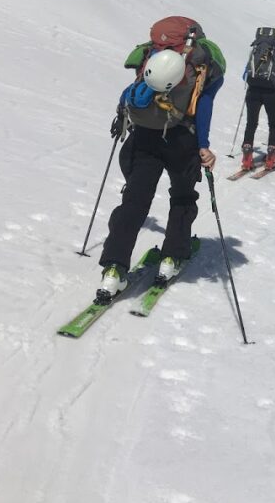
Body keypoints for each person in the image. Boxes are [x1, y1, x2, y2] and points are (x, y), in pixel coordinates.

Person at [96, 16, 225, 302]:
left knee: (134, 200)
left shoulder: (150, 53)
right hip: (182, 138)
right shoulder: (203, 63)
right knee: (181, 197)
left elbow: (135, 90)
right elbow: (204, 105)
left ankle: (114, 269)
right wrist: (203, 145)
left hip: (145, 134)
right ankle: (171, 259)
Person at [240, 27, 275, 171]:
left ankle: (247, 158)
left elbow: (245, 75)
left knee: (251, 123)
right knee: (273, 124)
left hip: (253, 91)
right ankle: (271, 157)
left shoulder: (254, 51)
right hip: (271, 93)